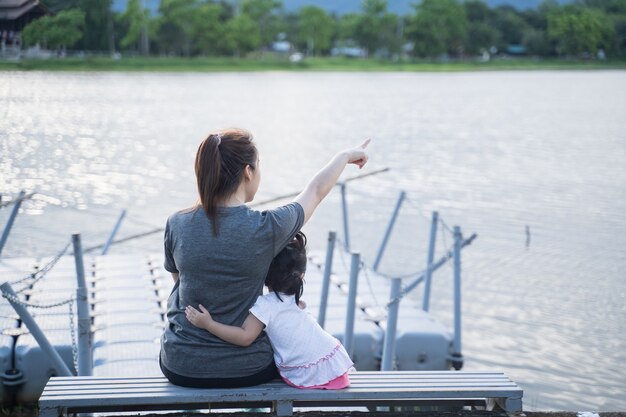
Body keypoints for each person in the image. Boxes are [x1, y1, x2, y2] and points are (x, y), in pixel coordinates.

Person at [160, 128, 369, 388]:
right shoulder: (267, 227)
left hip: (180, 365)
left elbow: (178, 281)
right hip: (245, 368)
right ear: (248, 172)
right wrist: (345, 155)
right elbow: (315, 191)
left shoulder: (177, 223)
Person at [185, 231, 354, 389]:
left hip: (309, 372)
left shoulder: (266, 306)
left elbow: (245, 337)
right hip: (333, 363)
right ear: (301, 275)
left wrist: (209, 324)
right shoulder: (297, 301)